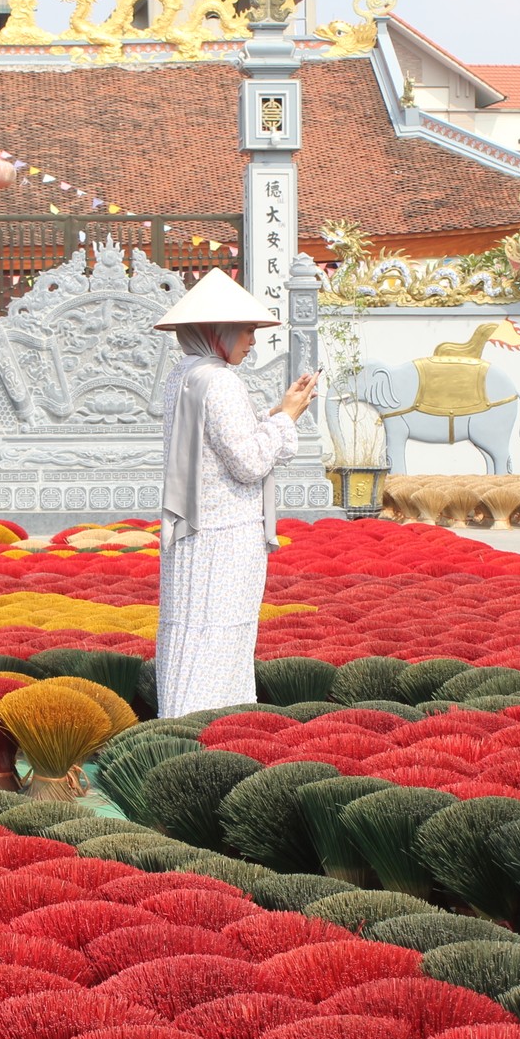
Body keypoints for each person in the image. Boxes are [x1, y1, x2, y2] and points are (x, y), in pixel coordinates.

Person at [153, 270, 318, 716]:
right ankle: (212, 730)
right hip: (225, 535)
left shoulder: (183, 375)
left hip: (196, 531)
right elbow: (248, 463)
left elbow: (221, 443)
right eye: (246, 330)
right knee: (221, 637)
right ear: (217, 330)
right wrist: (287, 418)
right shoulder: (220, 381)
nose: (252, 340)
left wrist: (277, 413)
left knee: (191, 635)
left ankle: (182, 726)